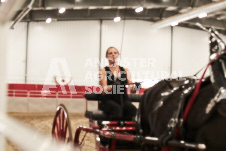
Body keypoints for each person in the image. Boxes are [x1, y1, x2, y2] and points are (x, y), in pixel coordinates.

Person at [99, 46, 137, 118]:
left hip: (123, 99)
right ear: (107, 56)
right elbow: (104, 90)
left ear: (118, 55)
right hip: (108, 100)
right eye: (110, 53)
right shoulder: (103, 71)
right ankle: (115, 128)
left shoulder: (126, 70)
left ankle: (129, 128)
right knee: (117, 109)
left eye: (115, 53)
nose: (113, 55)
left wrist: (135, 88)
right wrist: (113, 86)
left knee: (132, 109)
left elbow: (131, 88)